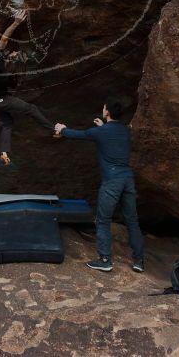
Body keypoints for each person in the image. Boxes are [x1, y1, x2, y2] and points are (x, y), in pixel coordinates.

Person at [55, 97, 145, 273]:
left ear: (107, 112)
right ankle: (139, 261)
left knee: (103, 220)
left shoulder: (101, 132)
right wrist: (102, 128)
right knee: (133, 221)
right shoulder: (126, 131)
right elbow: (113, 137)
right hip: (128, 179)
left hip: (112, 180)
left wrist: (62, 129)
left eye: (104, 108)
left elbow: (78, 134)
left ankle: (105, 260)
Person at [0, 8, 57, 166]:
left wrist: (13, 59)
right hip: (0, 99)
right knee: (31, 108)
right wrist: (16, 22)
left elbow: (4, 42)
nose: (12, 53)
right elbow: (4, 40)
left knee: (8, 123)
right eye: (12, 55)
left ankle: (4, 152)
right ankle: (54, 129)